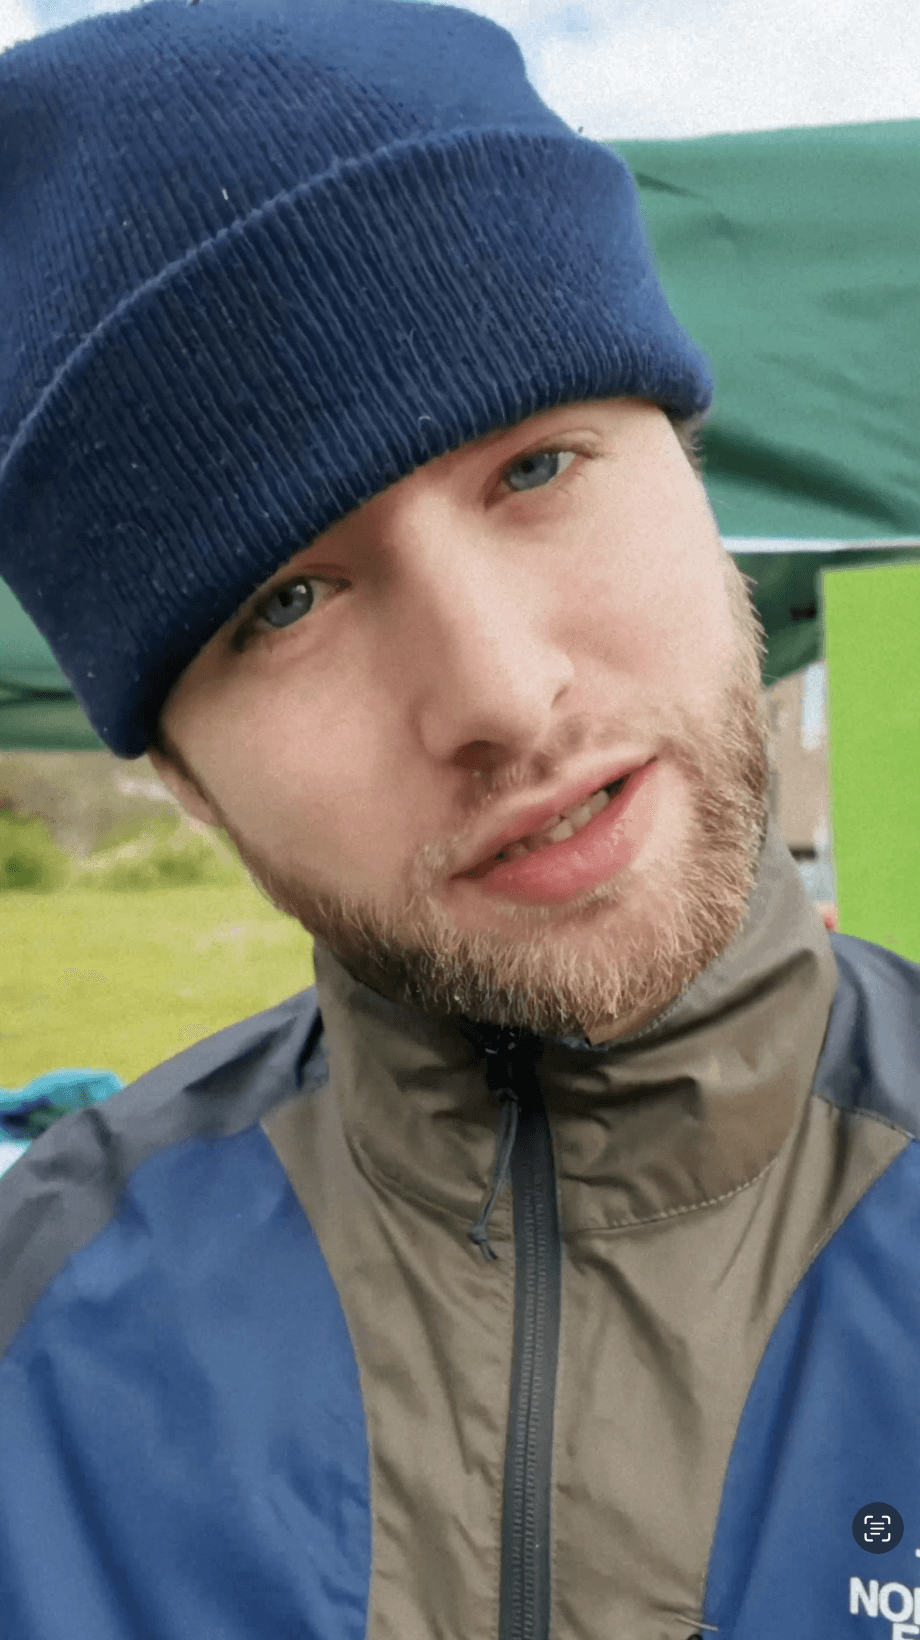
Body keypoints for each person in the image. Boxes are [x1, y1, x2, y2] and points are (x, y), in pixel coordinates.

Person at [0, 1, 918, 1635]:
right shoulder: (32, 1349)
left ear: (693, 489)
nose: (496, 691)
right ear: (188, 785)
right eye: (285, 600)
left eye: (539, 468)